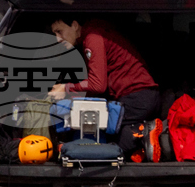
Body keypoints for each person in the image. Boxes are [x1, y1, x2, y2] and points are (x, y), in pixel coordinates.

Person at [48, 16, 162, 160]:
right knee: (111, 137)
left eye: (60, 31)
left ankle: (141, 132)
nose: (58, 39)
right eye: (55, 34)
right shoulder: (95, 32)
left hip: (136, 98)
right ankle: (140, 145)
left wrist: (66, 88)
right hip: (144, 97)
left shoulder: (92, 38)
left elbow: (98, 85)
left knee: (101, 137)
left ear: (75, 25)